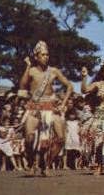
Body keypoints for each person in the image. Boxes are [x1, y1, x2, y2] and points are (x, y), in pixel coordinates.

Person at [18, 40, 73, 176]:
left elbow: (69, 86)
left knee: (60, 138)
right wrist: (27, 67)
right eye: (43, 55)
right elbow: (22, 86)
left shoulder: (54, 71)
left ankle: (45, 164)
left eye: (47, 55)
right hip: (34, 106)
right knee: (29, 137)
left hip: (50, 106)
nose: (46, 57)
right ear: (36, 56)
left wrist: (63, 103)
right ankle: (31, 164)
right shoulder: (31, 71)